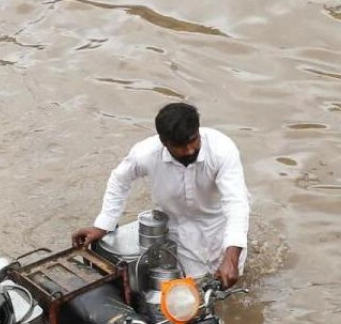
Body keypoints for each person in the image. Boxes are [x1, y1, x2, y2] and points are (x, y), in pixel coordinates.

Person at [72, 102, 251, 288]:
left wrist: (231, 255)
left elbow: (236, 204)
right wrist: (103, 225)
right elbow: (119, 180)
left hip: (219, 224)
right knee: (189, 289)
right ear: (164, 143)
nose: (189, 149)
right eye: (180, 146)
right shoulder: (146, 154)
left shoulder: (222, 150)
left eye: (193, 140)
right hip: (176, 228)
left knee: (230, 282)